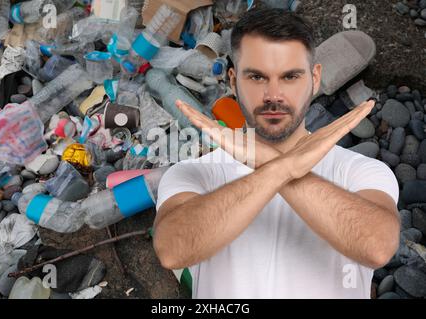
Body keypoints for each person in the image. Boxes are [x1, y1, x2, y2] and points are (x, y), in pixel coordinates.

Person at [152, 7, 400, 299]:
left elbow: (377, 246)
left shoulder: (359, 170)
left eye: (290, 77)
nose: (273, 95)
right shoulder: (195, 172)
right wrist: (283, 166)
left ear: (315, 78)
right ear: (233, 81)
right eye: (257, 77)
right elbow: (172, 250)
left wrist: (269, 163)